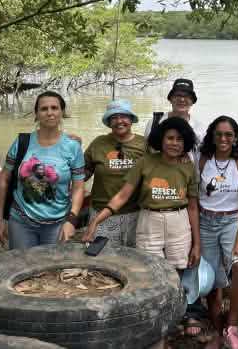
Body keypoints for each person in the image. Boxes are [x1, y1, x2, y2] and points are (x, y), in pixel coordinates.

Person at [83, 117, 201, 342]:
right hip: (149, 221)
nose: (174, 143)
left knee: (176, 273)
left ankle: (173, 319)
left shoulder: (188, 166)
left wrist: (197, 243)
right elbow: (122, 195)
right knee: (151, 273)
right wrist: (97, 221)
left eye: (179, 139)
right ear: (160, 139)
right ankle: (153, 321)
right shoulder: (145, 162)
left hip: (179, 221)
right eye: (169, 138)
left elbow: (193, 207)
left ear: (185, 142)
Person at [0, 91, 85, 250]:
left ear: (62, 112)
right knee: (22, 268)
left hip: (58, 224)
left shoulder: (73, 147)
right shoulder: (22, 142)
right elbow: (4, 179)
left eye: (54, 108)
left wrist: (72, 220)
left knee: (53, 270)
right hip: (21, 222)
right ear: (36, 114)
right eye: (44, 109)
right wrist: (0, 219)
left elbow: (78, 188)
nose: (49, 113)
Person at [197, 116, 238, 349]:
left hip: (232, 220)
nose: (223, 139)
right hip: (205, 220)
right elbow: (194, 195)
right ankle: (216, 330)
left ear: (235, 138)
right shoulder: (202, 159)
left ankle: (232, 327)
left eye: (229, 135)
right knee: (210, 279)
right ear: (212, 136)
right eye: (219, 134)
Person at [84, 99, 145, 247]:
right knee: (101, 259)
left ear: (131, 119)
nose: (119, 121)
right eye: (114, 117)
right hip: (101, 213)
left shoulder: (144, 144)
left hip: (135, 213)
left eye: (124, 116)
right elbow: (84, 173)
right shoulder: (98, 143)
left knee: (132, 260)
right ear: (109, 122)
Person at [144, 78, 206, 151]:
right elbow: (146, 150)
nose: (182, 99)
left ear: (192, 101)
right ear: (170, 99)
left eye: (187, 96)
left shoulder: (200, 128)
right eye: (178, 95)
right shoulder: (154, 123)